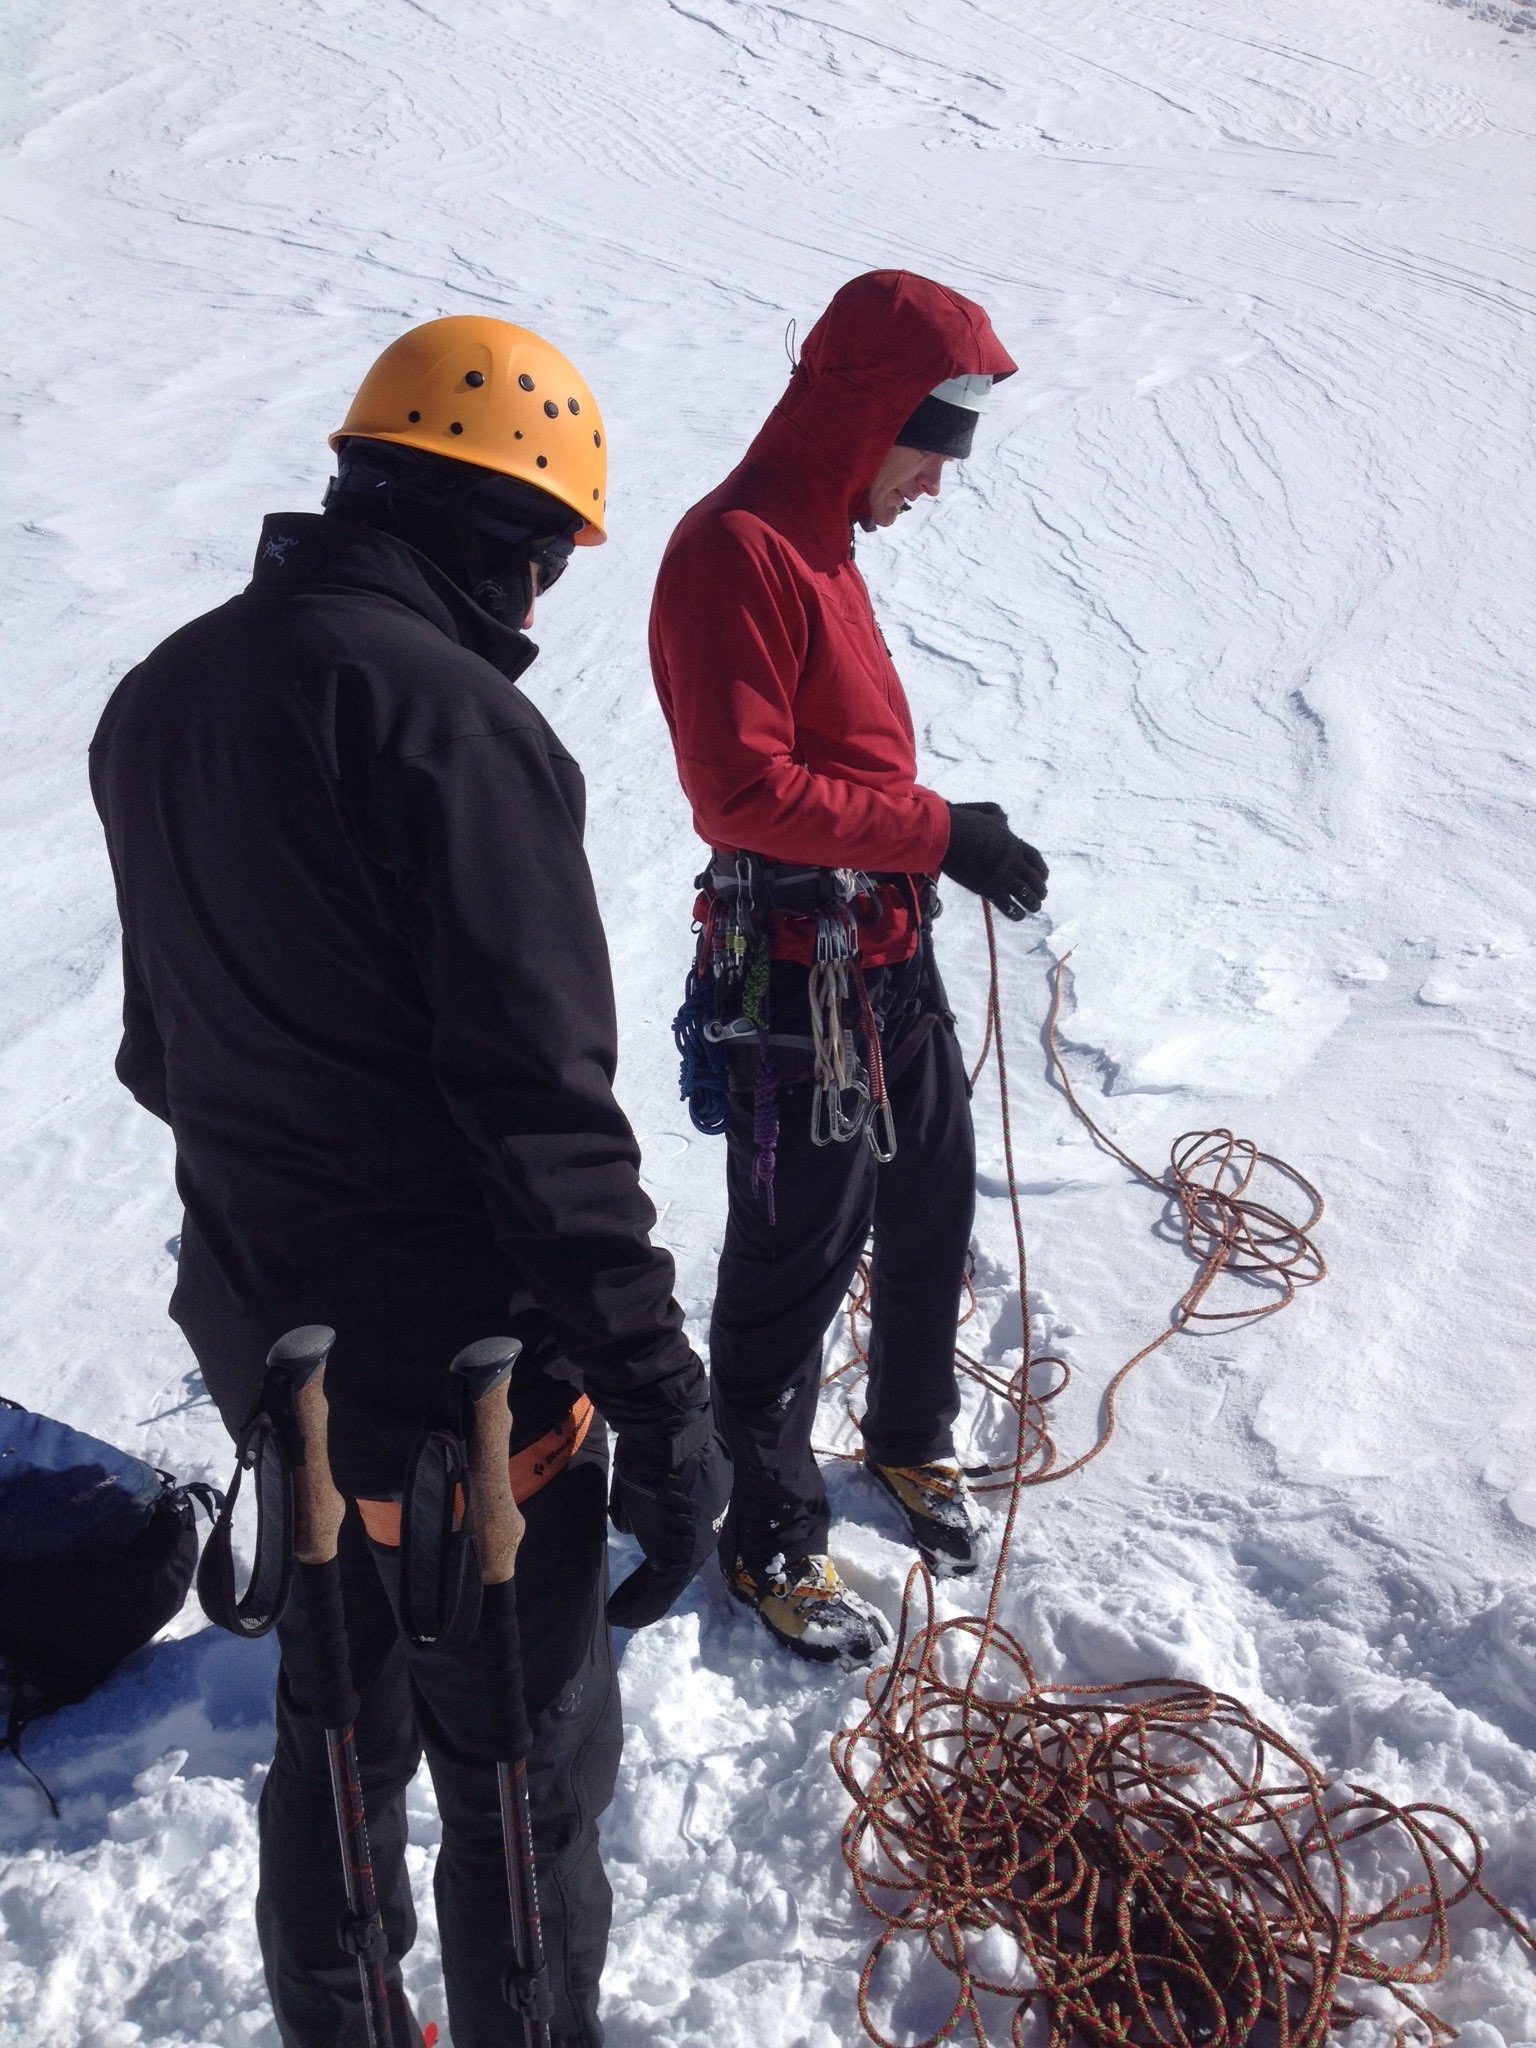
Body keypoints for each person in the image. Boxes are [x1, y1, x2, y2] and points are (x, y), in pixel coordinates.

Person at [90, 316, 729, 2048]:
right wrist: (664, 1402)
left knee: (333, 1733)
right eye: (542, 564)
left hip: (273, 1354)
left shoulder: (158, 699)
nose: (538, 608)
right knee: (516, 1784)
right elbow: (544, 1118)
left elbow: (162, 1055)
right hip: (471, 1401)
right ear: (501, 537)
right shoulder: (455, 726)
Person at [649, 270, 1047, 1667]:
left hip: (876, 950)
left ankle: (908, 1437)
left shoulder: (821, 546)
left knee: (931, 1197)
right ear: (871, 415)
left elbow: (838, 762)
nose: (937, 483)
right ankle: (766, 1532)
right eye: (932, 446)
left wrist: (929, 844)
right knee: (790, 1265)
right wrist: (941, 831)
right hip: (790, 986)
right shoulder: (735, 551)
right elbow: (740, 790)